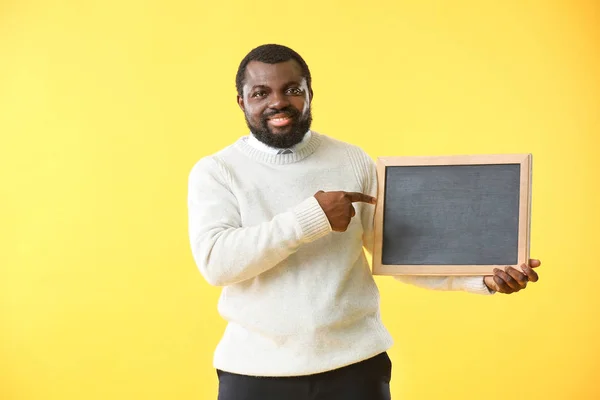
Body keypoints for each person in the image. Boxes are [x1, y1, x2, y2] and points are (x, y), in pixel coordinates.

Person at [187, 44, 541, 400]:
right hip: (254, 373)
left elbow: (400, 253)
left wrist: (482, 278)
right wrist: (310, 218)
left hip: (355, 368)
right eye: (260, 93)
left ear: (310, 93)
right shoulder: (217, 171)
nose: (278, 102)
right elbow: (217, 264)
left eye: (292, 90)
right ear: (241, 101)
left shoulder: (351, 159)